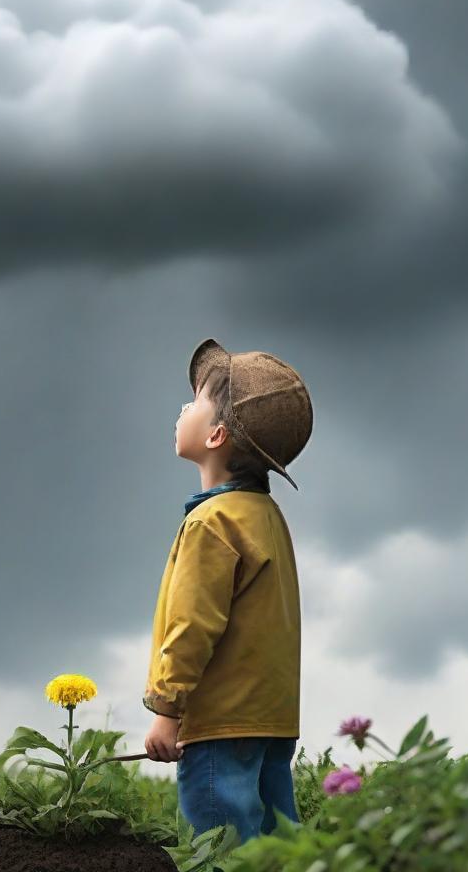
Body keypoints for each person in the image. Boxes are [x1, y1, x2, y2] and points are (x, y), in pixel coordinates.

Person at [143, 337, 313, 844]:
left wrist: (167, 711)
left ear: (216, 435)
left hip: (220, 721)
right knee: (277, 846)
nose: (183, 408)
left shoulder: (210, 524)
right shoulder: (267, 517)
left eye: (195, 401)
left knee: (220, 848)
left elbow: (193, 625)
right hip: (272, 719)